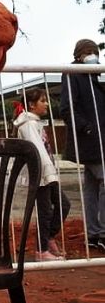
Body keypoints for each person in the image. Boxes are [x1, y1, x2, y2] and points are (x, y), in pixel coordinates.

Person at [13, 89, 71, 260]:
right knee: (44, 211)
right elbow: (38, 151)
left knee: (63, 204)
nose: (46, 104)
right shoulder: (28, 124)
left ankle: (48, 238)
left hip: (47, 173)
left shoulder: (34, 122)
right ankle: (42, 250)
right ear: (32, 105)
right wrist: (48, 174)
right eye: (43, 101)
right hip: (40, 175)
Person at [60, 38, 105, 252]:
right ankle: (102, 232)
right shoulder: (73, 73)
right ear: (78, 55)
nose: (92, 55)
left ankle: (94, 234)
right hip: (90, 140)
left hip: (100, 141)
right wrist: (86, 128)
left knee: (92, 187)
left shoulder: (97, 76)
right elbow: (67, 108)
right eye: (88, 52)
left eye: (94, 51)